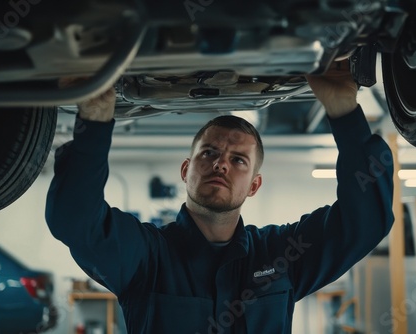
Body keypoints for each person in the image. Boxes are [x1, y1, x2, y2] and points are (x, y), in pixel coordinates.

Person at [46, 60, 394, 334]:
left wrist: (344, 111)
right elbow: (75, 220)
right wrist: (94, 118)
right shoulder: (147, 257)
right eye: (209, 153)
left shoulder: (281, 256)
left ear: (254, 185)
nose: (221, 165)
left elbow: (364, 223)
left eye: (238, 160)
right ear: (186, 170)